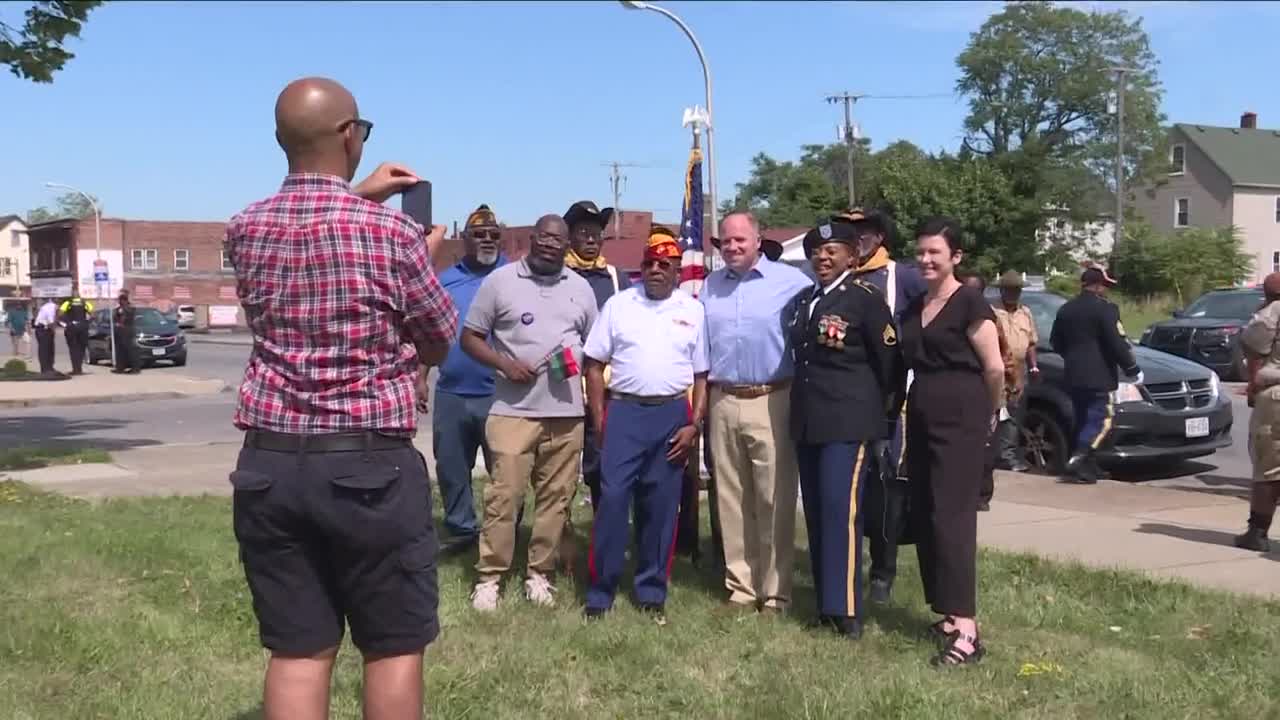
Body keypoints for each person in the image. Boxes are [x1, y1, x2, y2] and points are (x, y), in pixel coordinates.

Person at [225, 77, 457, 720]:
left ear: (282, 140)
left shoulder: (246, 228)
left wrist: (360, 196)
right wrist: (422, 258)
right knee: (391, 645)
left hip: (269, 467)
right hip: (367, 467)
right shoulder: (390, 236)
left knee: (299, 649)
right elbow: (439, 340)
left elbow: (309, 233)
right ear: (349, 134)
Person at [461, 213, 596, 611]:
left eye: (559, 239)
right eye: (544, 237)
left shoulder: (581, 287)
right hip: (512, 411)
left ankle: (540, 573)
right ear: (531, 239)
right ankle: (490, 576)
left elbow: (597, 342)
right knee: (504, 497)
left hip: (566, 412)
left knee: (556, 499)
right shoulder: (500, 282)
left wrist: (574, 358)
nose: (551, 244)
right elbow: (470, 338)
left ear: (567, 244)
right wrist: (503, 364)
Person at [581, 227, 708, 622]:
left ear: (675, 270)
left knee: (661, 506)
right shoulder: (619, 305)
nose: (656, 270)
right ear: (642, 268)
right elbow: (593, 364)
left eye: (664, 265)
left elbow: (703, 375)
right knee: (614, 499)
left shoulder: (693, 309)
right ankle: (601, 590)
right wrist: (600, 417)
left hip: (672, 415)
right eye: (650, 263)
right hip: (625, 413)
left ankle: (651, 588)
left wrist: (695, 425)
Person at [789, 221, 904, 639]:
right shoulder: (806, 301)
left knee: (842, 512)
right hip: (809, 424)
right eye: (817, 252)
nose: (823, 258)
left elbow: (891, 361)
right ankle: (826, 603)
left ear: (852, 256)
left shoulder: (865, 299)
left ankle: (848, 611)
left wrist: (884, 415)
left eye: (832, 251)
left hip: (849, 423)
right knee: (819, 515)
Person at [900, 217, 1005, 666]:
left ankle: (968, 631)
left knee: (953, 518)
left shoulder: (970, 304)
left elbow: (995, 366)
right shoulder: (914, 306)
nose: (925, 259)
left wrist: (991, 416)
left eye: (934, 253)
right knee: (924, 512)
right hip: (922, 412)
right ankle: (946, 612)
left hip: (963, 415)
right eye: (920, 252)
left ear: (955, 258)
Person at [701, 211, 812, 614]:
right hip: (723, 398)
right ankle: (741, 588)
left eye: (740, 241)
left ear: (758, 240)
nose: (731, 247)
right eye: (725, 241)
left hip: (773, 398)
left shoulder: (793, 283)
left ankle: (777, 591)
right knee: (731, 498)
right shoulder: (710, 286)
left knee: (774, 497)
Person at [828, 208, 926, 606]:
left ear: (879, 237)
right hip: (845, 397)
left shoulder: (901, 276)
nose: (857, 239)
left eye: (863, 233)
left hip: (890, 398)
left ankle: (882, 572)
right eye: (850, 233)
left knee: (887, 488)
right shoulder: (838, 277)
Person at [432, 204, 507, 553]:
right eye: (479, 234)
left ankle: (504, 532)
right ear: (465, 239)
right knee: (451, 467)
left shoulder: (513, 276)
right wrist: (419, 377)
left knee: (506, 470)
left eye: (494, 234)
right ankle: (462, 529)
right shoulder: (445, 280)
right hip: (452, 391)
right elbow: (428, 331)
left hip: (502, 393)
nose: (487, 240)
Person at [1050, 266, 1141, 484]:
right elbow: (1116, 343)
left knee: (1082, 420)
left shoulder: (1066, 309)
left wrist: (1074, 359)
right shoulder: (1105, 309)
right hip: (1099, 376)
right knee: (1102, 421)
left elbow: (1056, 342)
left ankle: (1089, 468)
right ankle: (1079, 458)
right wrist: (1132, 369)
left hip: (1074, 375)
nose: (1106, 290)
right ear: (1098, 285)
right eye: (1105, 286)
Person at [959, 272, 1014, 511]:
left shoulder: (989, 320)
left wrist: (1009, 386)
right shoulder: (949, 313)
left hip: (987, 391)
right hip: (958, 391)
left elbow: (1003, 358)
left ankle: (982, 495)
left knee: (986, 446)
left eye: (974, 291)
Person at [1235, 272, 1280, 551]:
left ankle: (1257, 532)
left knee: (1270, 466)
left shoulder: (1270, 313)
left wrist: (1253, 387)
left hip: (1276, 395)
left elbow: (1253, 352)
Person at [993, 271, 1039, 474]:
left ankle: (1009, 453)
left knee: (1014, 413)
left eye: (1016, 290)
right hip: (999, 367)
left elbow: (1030, 343)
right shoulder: (992, 311)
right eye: (1009, 289)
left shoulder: (1025, 312)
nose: (1013, 293)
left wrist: (1034, 366)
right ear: (1002, 290)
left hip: (1020, 369)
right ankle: (1004, 456)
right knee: (1000, 413)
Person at [59, 293, 94, 375]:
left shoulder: (68, 303)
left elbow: (60, 314)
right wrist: (87, 323)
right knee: (82, 348)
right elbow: (92, 314)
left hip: (71, 328)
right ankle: (79, 368)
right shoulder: (85, 303)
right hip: (83, 328)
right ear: (79, 296)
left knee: (73, 348)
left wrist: (66, 322)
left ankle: (75, 369)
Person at [112, 290, 141, 374]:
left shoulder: (129, 308)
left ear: (125, 301)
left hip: (127, 331)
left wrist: (122, 311)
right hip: (120, 332)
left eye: (121, 300)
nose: (120, 302)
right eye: (119, 300)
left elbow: (127, 316)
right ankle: (120, 368)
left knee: (131, 350)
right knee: (120, 351)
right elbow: (115, 318)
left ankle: (135, 369)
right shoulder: (119, 309)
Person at [34, 297, 58, 374]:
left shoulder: (53, 307)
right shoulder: (50, 307)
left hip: (47, 329)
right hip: (42, 330)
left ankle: (50, 368)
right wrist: (53, 331)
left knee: (50, 349)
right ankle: (45, 369)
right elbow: (51, 321)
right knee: (44, 350)